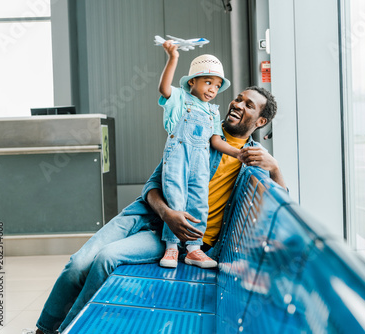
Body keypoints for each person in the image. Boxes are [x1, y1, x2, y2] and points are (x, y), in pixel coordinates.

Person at [29, 86, 285, 334]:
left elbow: (280, 209)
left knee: (107, 258)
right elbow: (152, 185)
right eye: (239, 99)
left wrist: (275, 169)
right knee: (77, 264)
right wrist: (167, 214)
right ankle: (44, 329)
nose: (237, 104)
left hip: (180, 240)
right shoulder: (196, 129)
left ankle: (67, 329)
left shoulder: (254, 159)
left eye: (248, 105)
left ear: (261, 121)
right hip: (147, 215)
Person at [157, 41, 242, 269]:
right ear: (192, 82)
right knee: (175, 199)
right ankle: (172, 247)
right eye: (207, 82)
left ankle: (194, 249)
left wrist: (238, 153)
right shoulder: (180, 99)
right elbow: (164, 88)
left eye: (217, 85)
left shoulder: (213, 111)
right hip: (178, 158)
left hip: (201, 163)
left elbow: (215, 140)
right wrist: (173, 57)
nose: (212, 89)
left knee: (198, 202)